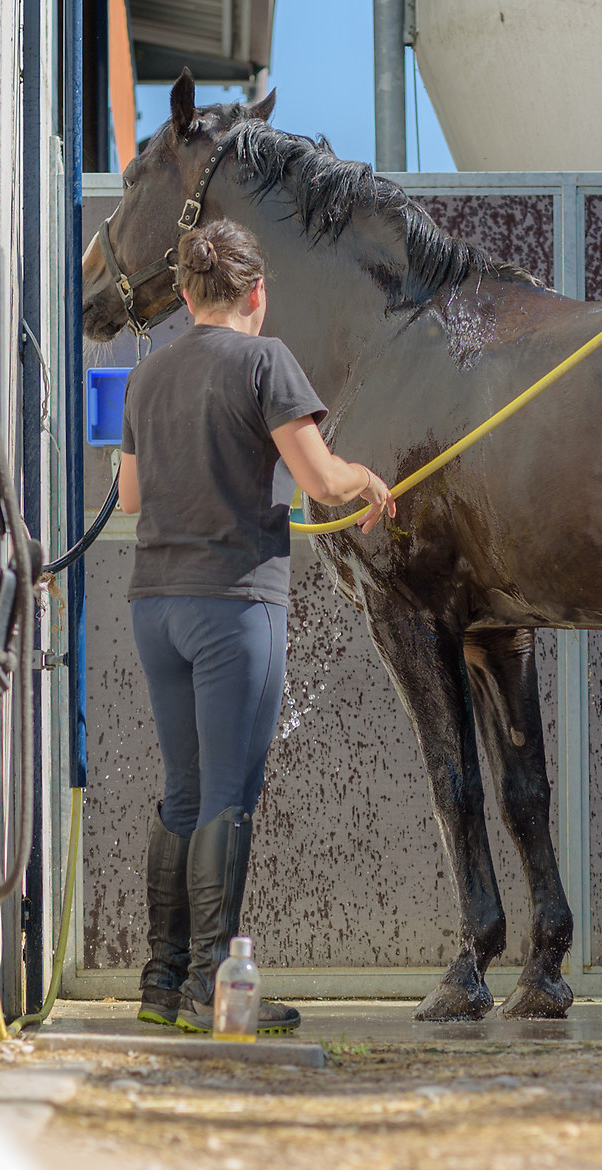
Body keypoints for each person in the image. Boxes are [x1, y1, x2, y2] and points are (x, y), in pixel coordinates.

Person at [118, 220, 396, 1034]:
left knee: (183, 790)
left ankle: (162, 985)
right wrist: (367, 479)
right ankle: (217, 990)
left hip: (155, 608)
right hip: (234, 605)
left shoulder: (147, 376)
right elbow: (318, 477)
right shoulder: (265, 361)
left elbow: (131, 499)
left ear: (186, 295)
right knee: (228, 796)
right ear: (256, 294)